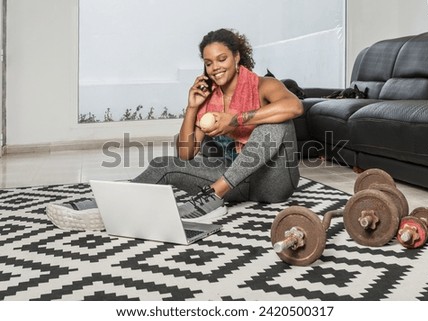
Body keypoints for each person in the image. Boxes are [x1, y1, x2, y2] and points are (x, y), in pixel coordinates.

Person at [47, 28, 304, 227]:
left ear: (237, 57)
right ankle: (107, 203)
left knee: (276, 122)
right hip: (237, 181)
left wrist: (235, 120)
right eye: (208, 62)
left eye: (222, 58)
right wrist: (192, 108)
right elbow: (185, 155)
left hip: (273, 183)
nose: (215, 68)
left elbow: (295, 107)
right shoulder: (208, 100)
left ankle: (213, 196)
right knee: (163, 163)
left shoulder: (263, 85)